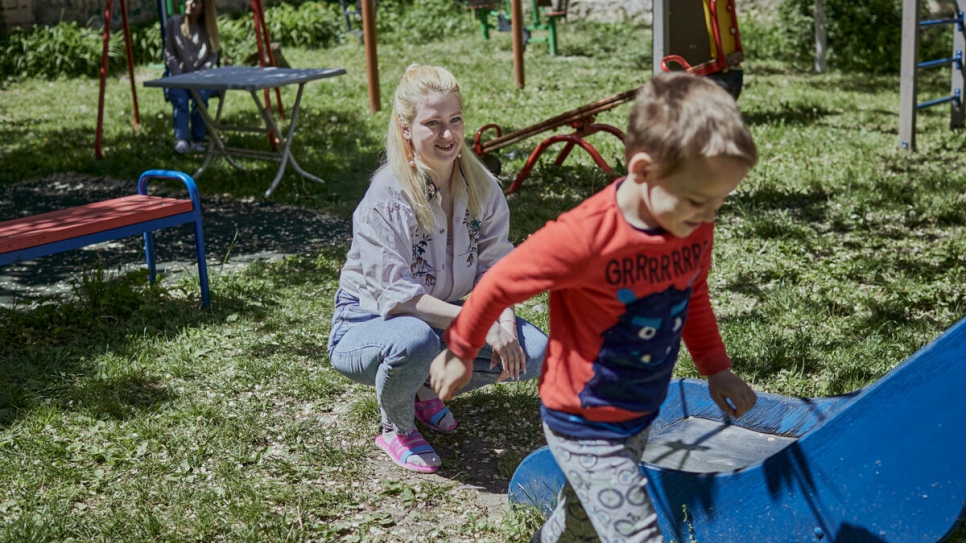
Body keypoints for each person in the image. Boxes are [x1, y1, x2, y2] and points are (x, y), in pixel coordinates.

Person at [430, 72, 759, 542]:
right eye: (697, 202)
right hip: (584, 418)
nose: (708, 218)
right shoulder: (584, 238)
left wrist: (716, 368)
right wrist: (462, 350)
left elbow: (693, 293)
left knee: (578, 527)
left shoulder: (692, 225)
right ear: (643, 171)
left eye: (718, 205)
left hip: (638, 410)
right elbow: (499, 282)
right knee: (636, 534)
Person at [327, 64, 547, 474]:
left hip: (440, 316)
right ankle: (396, 425)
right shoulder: (387, 195)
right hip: (367, 323)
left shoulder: (483, 187)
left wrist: (504, 321)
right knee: (413, 343)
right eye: (433, 123)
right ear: (406, 128)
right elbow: (398, 297)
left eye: (455, 120)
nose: (449, 135)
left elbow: (496, 269)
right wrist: (480, 323)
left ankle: (424, 389)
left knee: (532, 352)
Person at [163, 0, 219, 155]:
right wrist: (178, 75)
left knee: (200, 99)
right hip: (178, 76)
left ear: (203, 7)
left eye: (195, 2)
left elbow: (212, 56)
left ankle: (198, 140)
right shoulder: (174, 24)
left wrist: (200, 74)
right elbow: (168, 54)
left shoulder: (208, 28)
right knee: (180, 100)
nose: (190, 3)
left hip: (200, 77)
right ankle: (182, 140)